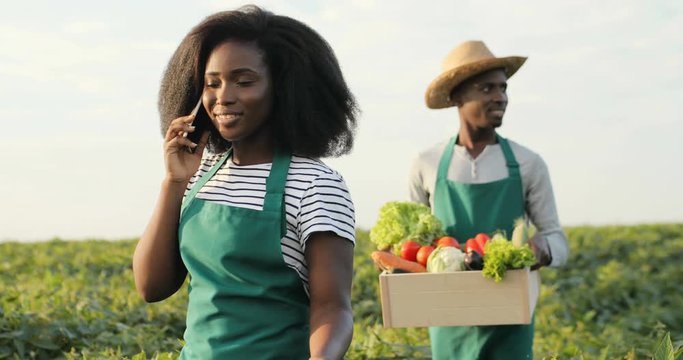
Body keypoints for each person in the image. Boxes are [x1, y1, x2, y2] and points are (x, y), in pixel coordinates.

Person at [132, 6, 357, 359]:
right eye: (212, 83)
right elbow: (151, 286)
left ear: (282, 88)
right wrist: (173, 183)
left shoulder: (315, 184)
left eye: (244, 81)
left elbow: (333, 307)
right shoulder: (198, 176)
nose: (223, 96)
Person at [409, 40, 570, 359]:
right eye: (487, 89)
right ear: (457, 96)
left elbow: (557, 239)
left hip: (510, 316)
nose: (500, 97)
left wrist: (543, 251)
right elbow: (415, 244)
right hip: (449, 318)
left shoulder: (528, 163)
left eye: (503, 88)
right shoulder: (426, 163)